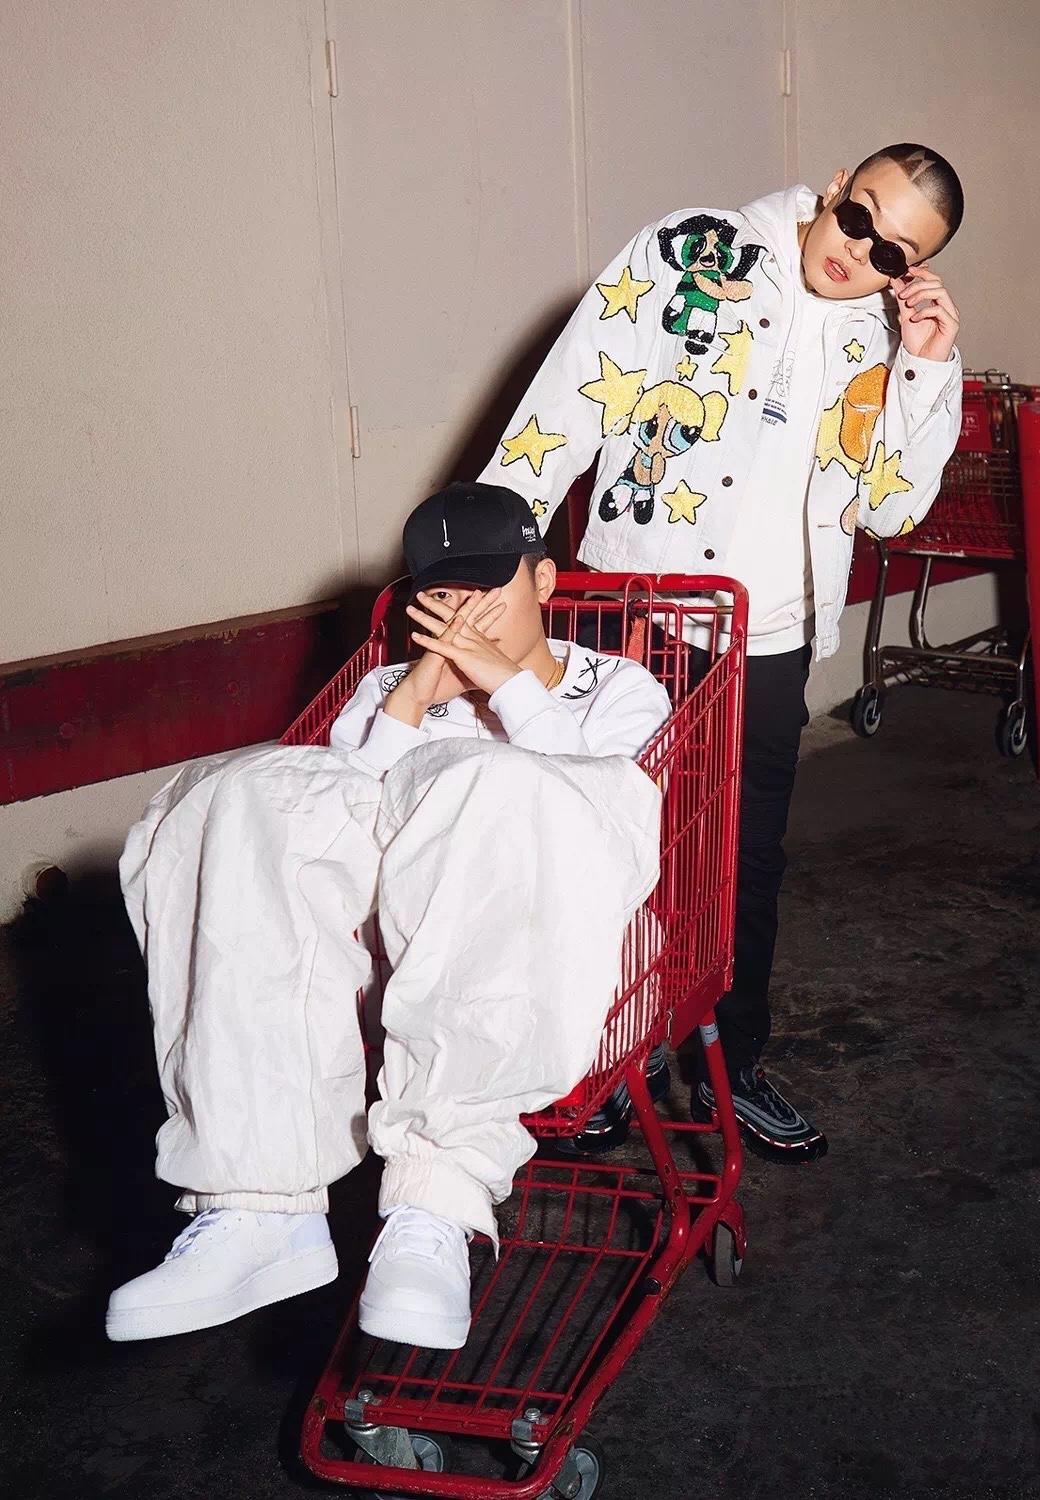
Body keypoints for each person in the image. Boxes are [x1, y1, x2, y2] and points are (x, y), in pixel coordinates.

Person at [478, 143, 965, 1159]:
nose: (858, 252)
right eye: (859, 217)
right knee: (601, 851)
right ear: (836, 187)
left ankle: (722, 1072)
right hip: (635, 612)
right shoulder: (694, 250)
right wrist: (488, 552)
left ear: (910, 270)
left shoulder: (881, 338)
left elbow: (888, 508)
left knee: (741, 866)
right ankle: (595, 1062)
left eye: (891, 253)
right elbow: (569, 400)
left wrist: (923, 369)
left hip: (765, 637)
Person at [107, 483, 671, 1349]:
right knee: (247, 790)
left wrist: (506, 686)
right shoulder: (387, 689)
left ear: (543, 581)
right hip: (397, 952)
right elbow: (334, 826)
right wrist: (412, 699)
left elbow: (613, 823)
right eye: (441, 594)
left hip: (567, 939)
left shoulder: (616, 687)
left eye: (487, 587)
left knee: (490, 783)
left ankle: (436, 1201)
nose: (465, 613)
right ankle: (258, 1203)